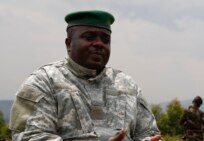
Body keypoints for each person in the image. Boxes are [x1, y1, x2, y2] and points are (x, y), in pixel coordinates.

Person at [9, 10, 162, 141]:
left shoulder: (127, 85)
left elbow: (149, 133)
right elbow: (29, 136)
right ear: (69, 44)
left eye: (105, 40)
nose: (99, 44)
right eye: (89, 37)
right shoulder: (44, 81)